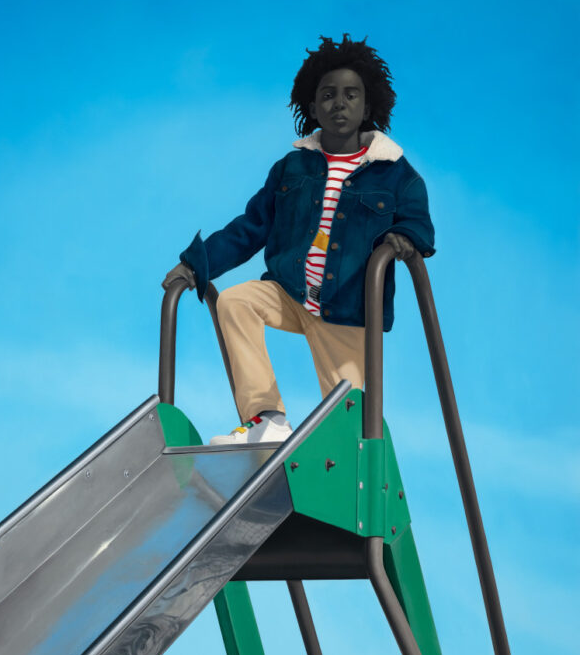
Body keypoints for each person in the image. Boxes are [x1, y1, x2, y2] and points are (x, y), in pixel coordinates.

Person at [163, 34, 434, 445]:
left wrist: (402, 240)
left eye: (350, 95)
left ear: (367, 106)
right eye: (327, 95)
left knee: (350, 410)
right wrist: (195, 263)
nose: (338, 104)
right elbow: (251, 226)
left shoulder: (392, 171)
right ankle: (266, 417)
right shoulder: (293, 167)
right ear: (312, 107)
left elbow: (417, 222)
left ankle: (351, 467)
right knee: (235, 302)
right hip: (290, 291)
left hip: (346, 305)